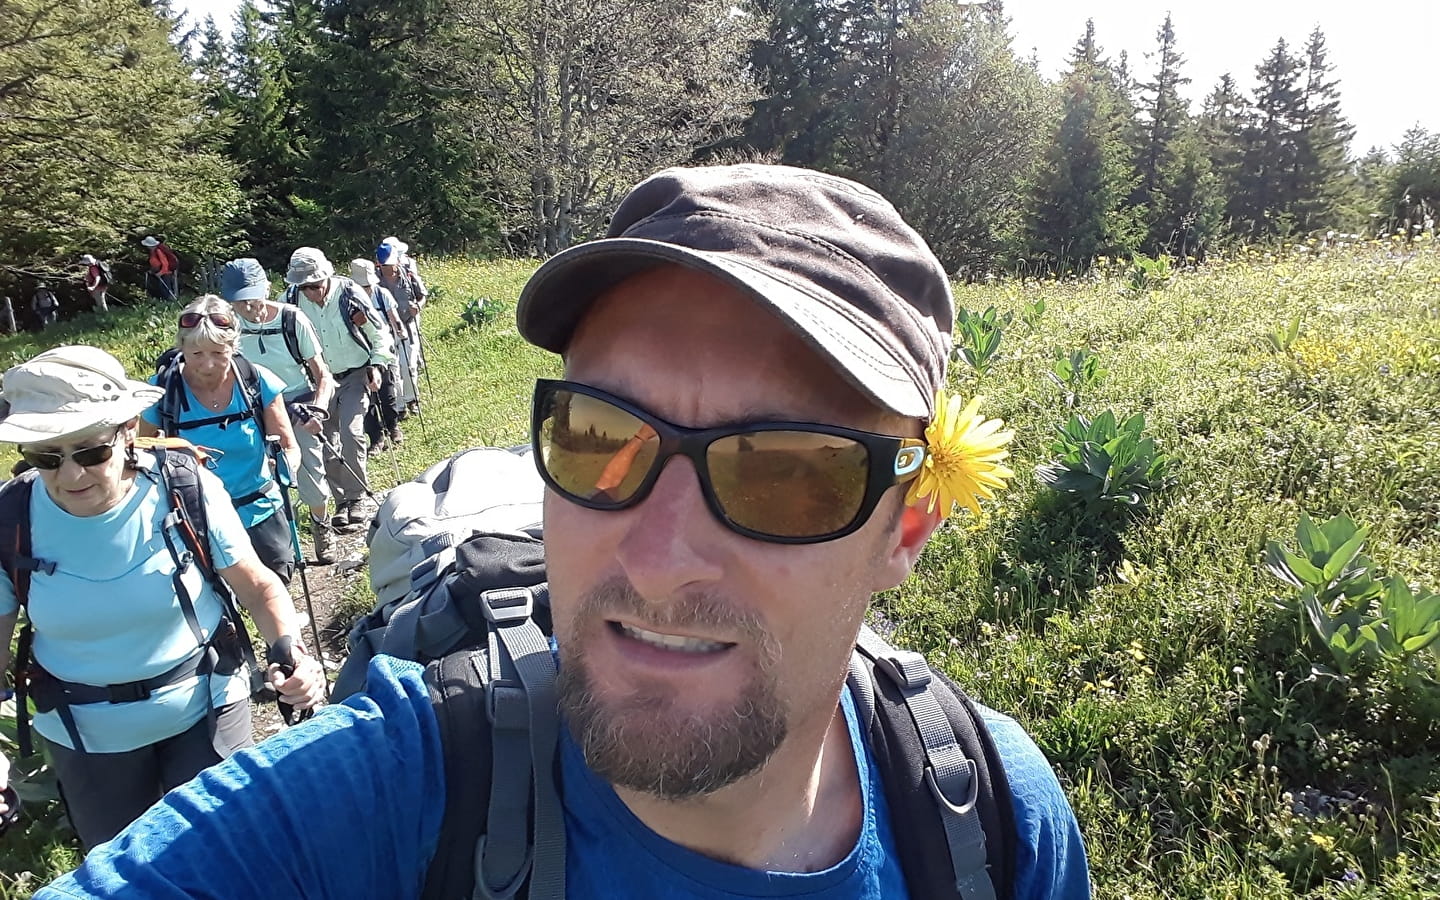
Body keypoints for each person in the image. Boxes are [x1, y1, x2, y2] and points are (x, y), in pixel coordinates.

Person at [38, 166, 1089, 897]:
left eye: (781, 473)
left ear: (907, 526)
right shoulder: (400, 789)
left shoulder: (990, 819)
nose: (657, 554)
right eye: (601, 436)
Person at [0, 346, 325, 851]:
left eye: (90, 451)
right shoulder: (11, 518)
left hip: (208, 705)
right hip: (84, 736)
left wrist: (291, 652)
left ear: (128, 429)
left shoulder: (182, 486)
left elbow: (259, 586)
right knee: (126, 873)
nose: (71, 476)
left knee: (231, 854)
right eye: (46, 457)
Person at [139, 297, 302, 585]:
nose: (208, 364)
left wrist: (286, 468)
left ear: (233, 346)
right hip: (199, 515)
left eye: (218, 352)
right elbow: (139, 451)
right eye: (196, 353)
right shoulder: (162, 391)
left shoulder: (256, 381)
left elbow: (289, 446)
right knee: (220, 598)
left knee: (276, 583)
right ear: (182, 347)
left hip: (260, 506)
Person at [223, 259, 339, 565]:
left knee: (311, 477)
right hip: (252, 406)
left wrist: (318, 409)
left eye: (253, 299)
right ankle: (274, 544)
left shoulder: (292, 318)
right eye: (239, 302)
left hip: (297, 404)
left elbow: (323, 375)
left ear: (267, 289)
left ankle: (320, 524)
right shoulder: (228, 326)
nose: (247, 308)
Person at [283, 248, 394, 531]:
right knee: (325, 440)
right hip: (317, 380)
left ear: (327, 277)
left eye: (315, 286)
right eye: (304, 287)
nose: (310, 292)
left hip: (355, 373)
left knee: (352, 431)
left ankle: (357, 497)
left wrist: (378, 365)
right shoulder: (290, 301)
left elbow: (378, 331)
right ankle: (342, 501)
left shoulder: (349, 292)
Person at [350, 259, 405, 453]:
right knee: (366, 397)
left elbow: (394, 317)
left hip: (382, 348)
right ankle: (376, 438)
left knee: (387, 392)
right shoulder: (347, 300)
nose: (366, 289)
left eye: (367, 285)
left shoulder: (382, 294)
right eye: (362, 285)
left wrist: (400, 331)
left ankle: (393, 427)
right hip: (360, 352)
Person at [375, 237, 426, 418]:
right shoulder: (373, 282)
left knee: (409, 365)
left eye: (390, 263)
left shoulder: (408, 275)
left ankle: (412, 399)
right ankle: (400, 404)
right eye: (384, 265)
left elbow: (422, 295)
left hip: (408, 325)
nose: (388, 268)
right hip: (385, 330)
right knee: (393, 366)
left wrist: (418, 306)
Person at [141, 236, 179, 302]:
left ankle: (171, 302)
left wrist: (161, 273)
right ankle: (166, 302)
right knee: (161, 288)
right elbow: (155, 262)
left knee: (165, 289)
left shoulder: (158, 251)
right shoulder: (153, 251)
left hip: (166, 272)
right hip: (160, 272)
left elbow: (165, 264)